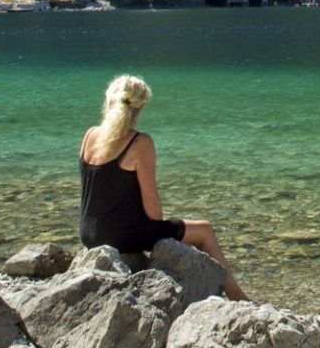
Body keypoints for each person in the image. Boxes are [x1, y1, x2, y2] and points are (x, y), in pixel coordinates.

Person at [78, 73, 248, 300]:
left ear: (108, 101)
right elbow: (154, 213)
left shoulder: (90, 135)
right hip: (121, 236)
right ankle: (238, 296)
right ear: (139, 109)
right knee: (204, 230)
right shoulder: (139, 143)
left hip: (88, 234)